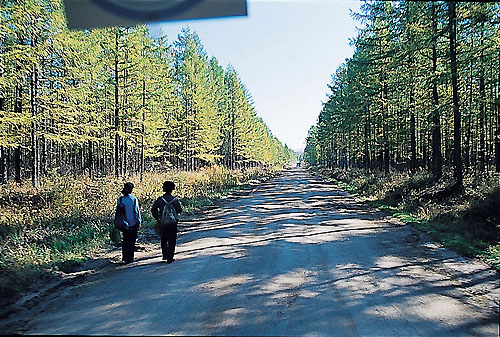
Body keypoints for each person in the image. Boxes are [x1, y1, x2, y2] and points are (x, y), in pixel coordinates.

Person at [151, 181, 182, 263]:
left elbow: (153, 210)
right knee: (172, 239)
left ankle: (165, 254)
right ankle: (170, 257)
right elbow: (179, 209)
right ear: (172, 189)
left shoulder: (160, 200)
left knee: (164, 238)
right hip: (172, 223)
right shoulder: (175, 200)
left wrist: (158, 218)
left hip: (163, 222)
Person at [118, 182, 141, 263]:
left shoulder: (120, 199)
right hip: (133, 223)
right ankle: (130, 258)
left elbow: (118, 212)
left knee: (125, 240)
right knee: (132, 241)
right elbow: (136, 211)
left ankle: (125, 257)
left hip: (124, 224)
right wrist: (138, 221)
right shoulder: (133, 199)